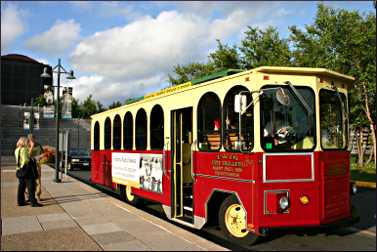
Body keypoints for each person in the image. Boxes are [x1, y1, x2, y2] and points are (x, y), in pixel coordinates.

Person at [14, 137, 42, 207]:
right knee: (31, 186)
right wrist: (33, 158)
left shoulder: (16, 150)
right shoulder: (24, 149)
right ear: (24, 142)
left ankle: (20, 201)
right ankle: (33, 202)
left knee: (21, 186)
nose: (27, 143)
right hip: (27, 170)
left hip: (19, 169)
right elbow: (26, 160)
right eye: (26, 142)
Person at [28, 134, 44, 201]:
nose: (32, 139)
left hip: (37, 165)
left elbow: (43, 154)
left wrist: (39, 157)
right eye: (30, 138)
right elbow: (27, 155)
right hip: (29, 166)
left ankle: (38, 195)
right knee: (29, 181)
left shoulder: (38, 145)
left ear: (35, 138)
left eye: (33, 138)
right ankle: (30, 196)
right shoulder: (27, 145)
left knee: (38, 181)